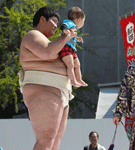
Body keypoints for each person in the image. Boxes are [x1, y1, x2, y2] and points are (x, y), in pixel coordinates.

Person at [19, 7, 77, 150]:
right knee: (46, 138)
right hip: (43, 88)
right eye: (53, 21)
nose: (56, 26)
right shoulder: (32, 35)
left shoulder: (52, 41)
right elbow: (46, 52)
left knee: (55, 140)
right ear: (42, 19)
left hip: (61, 91)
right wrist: (65, 37)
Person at [59, 6, 88, 87]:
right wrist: (66, 31)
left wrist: (77, 38)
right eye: (83, 21)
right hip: (65, 47)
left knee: (77, 64)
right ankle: (73, 80)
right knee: (70, 64)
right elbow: (63, 25)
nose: (83, 23)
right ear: (79, 19)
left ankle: (79, 79)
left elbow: (72, 36)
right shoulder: (70, 23)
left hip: (71, 49)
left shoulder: (73, 27)